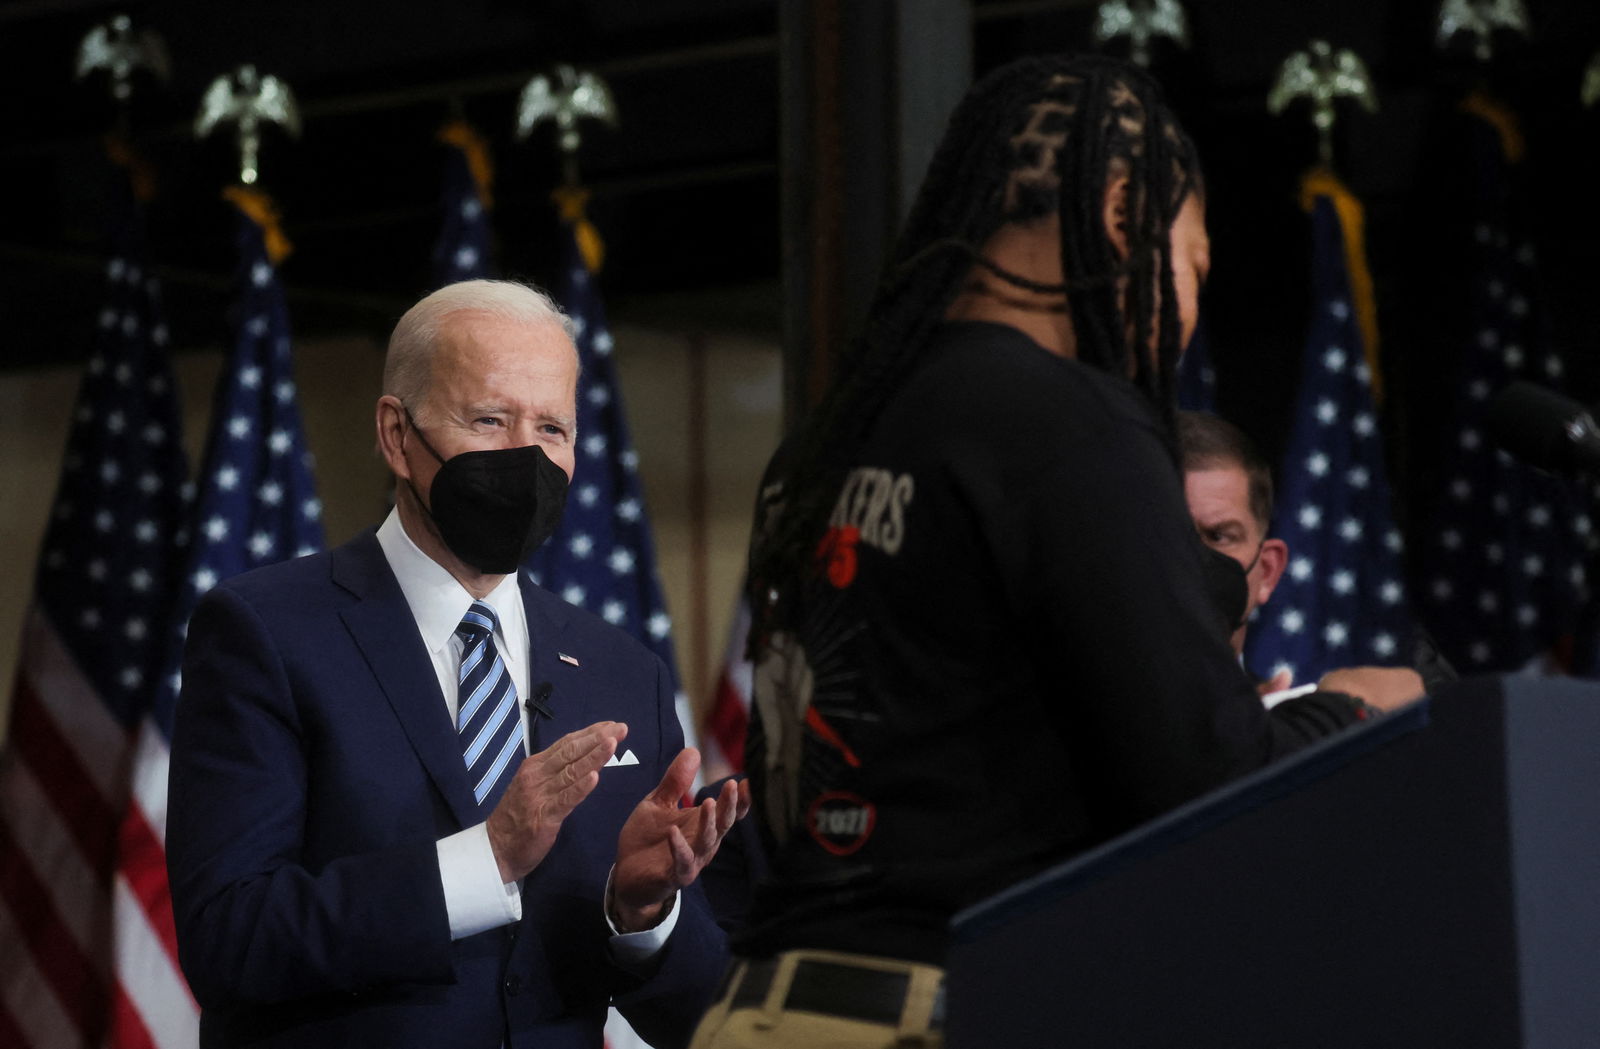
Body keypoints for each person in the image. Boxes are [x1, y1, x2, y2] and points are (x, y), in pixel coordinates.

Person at [690, 54, 1417, 1049]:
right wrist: (1356, 708)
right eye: (1193, 263)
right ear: (1121, 213)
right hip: (939, 1010)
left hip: (765, 1009)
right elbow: (1209, 783)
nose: (1188, 311)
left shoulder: (822, 442)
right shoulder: (1067, 421)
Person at [167, 279, 749, 1049]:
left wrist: (642, 912)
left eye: (552, 428)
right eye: (488, 419)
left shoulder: (620, 672)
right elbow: (229, 939)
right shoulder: (266, 633)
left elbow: (701, 1015)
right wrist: (486, 858)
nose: (527, 458)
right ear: (396, 434)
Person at [1178, 410, 1289, 660]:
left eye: (1218, 536)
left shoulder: (1281, 700)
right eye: (1171, 533)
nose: (1190, 559)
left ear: (1268, 571)